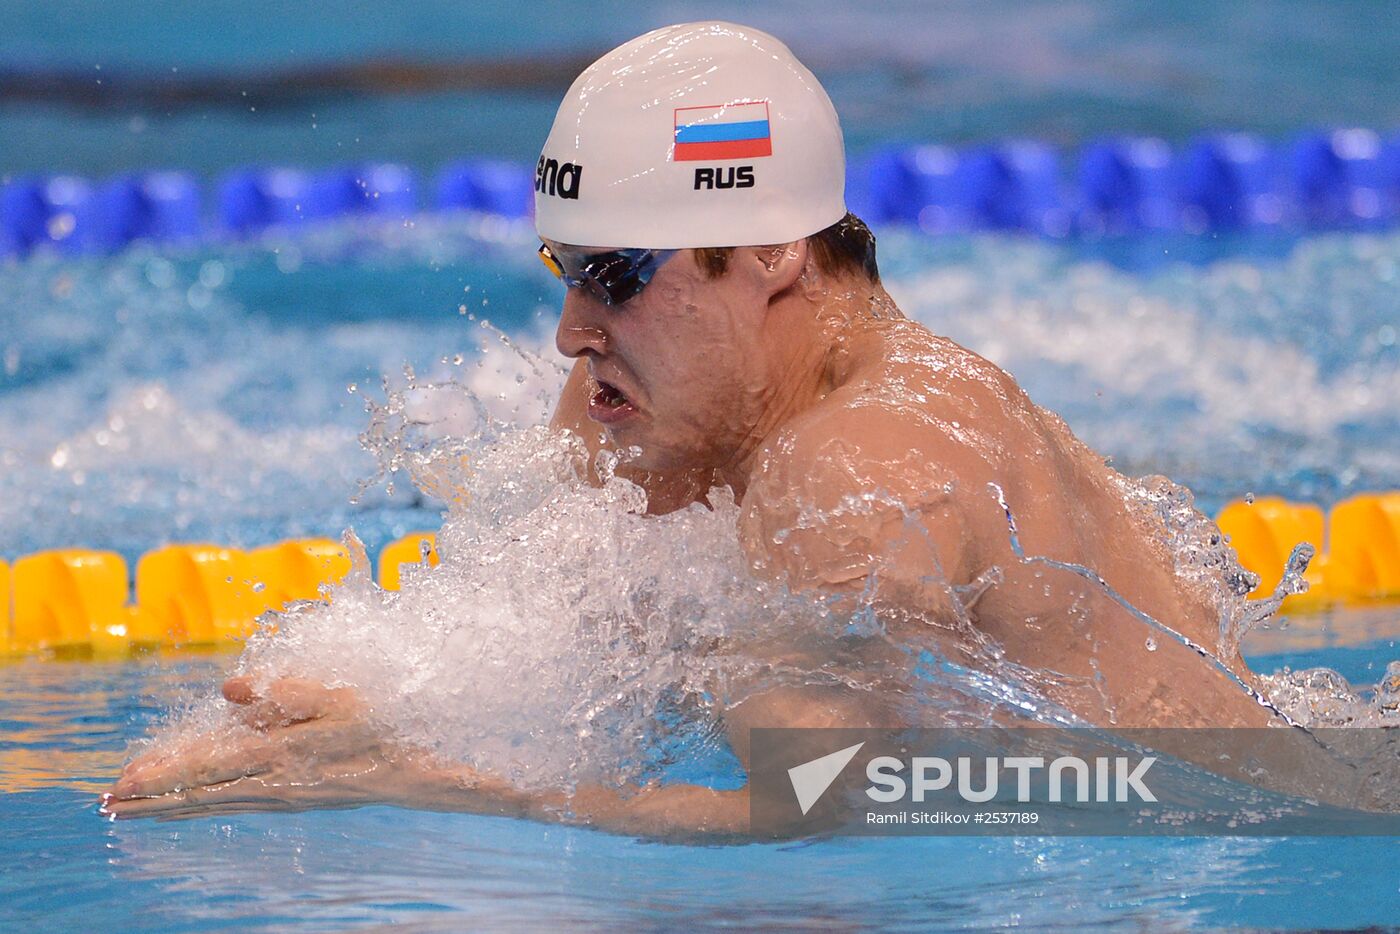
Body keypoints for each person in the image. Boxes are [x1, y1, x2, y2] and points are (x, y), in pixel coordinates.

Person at [102, 21, 1288, 835]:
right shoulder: (662, 399)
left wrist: (415, 780)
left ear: (774, 250)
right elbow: (575, 639)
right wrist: (394, 703)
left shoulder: (861, 471)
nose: (570, 331)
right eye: (563, 270)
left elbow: (822, 817)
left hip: (1221, 837)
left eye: (614, 273)